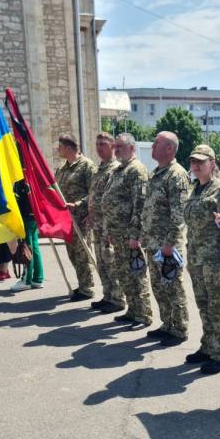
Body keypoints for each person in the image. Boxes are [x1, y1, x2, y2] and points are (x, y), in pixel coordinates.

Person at [183, 144, 220, 374]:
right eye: (193, 162)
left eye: (201, 162)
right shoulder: (195, 189)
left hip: (215, 260)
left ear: (212, 163)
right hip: (197, 259)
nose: (196, 166)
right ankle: (208, 346)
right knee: (203, 305)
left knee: (217, 306)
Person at [139, 131, 190, 347]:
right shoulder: (157, 173)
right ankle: (167, 324)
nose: (152, 146)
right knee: (159, 287)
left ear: (169, 148)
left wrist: (170, 243)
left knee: (172, 287)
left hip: (166, 245)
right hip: (153, 242)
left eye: (156, 143)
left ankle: (179, 329)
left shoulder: (175, 174)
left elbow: (179, 214)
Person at [100, 133, 153, 330]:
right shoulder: (119, 170)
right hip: (117, 233)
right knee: (124, 274)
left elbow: (140, 204)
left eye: (120, 146)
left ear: (131, 148)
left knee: (137, 276)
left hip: (129, 235)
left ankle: (144, 315)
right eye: (115, 146)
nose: (116, 150)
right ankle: (133, 310)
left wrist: (135, 235)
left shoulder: (136, 170)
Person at [54, 133, 96, 301]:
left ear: (69, 148)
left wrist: (79, 204)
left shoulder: (87, 166)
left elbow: (94, 192)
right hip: (66, 219)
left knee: (83, 254)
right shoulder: (62, 169)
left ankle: (87, 288)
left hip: (81, 218)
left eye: (61, 147)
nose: (58, 149)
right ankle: (82, 283)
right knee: (72, 254)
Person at [87, 132, 124, 312]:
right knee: (101, 262)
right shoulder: (98, 169)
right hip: (97, 224)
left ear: (112, 147)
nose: (99, 147)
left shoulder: (115, 169)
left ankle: (117, 299)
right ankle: (108, 295)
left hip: (109, 225)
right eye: (97, 143)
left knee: (112, 263)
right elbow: (93, 195)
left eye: (103, 144)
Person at [10, 178, 44, 292]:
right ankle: (38, 279)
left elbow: (18, 198)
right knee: (34, 247)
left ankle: (27, 280)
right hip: (33, 214)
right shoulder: (31, 174)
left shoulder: (21, 176)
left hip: (26, 215)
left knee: (26, 247)